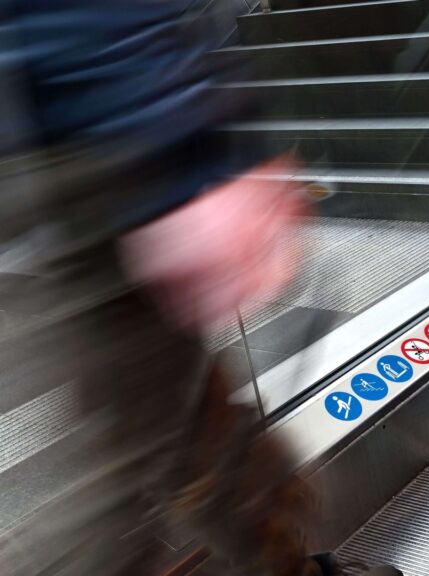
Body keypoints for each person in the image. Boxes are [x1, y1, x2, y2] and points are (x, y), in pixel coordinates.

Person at [0, 2, 398, 575]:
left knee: (183, 427)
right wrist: (179, 149)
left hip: (78, 135)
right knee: (125, 476)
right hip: (102, 144)